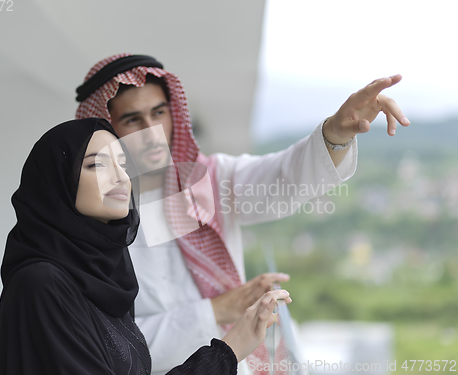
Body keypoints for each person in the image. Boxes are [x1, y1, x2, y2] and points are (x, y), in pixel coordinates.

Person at [75, 54, 410, 374]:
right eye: (133, 119)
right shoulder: (89, 220)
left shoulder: (208, 179)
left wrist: (336, 134)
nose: (152, 131)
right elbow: (108, 345)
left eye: (159, 113)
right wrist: (217, 310)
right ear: (105, 130)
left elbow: (283, 178)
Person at [0, 118, 292, 375]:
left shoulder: (106, 277)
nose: (120, 177)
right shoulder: (42, 284)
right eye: (97, 165)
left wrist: (230, 350)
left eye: (122, 163)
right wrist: (227, 352)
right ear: (57, 185)